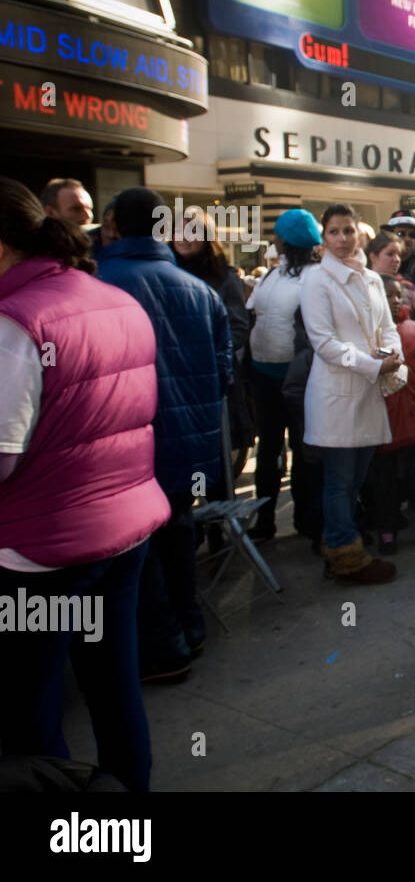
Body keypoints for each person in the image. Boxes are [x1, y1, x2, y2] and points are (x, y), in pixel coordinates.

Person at [0, 177, 170, 792]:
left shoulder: (15, 320)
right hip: (123, 532)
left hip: (40, 550)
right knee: (113, 687)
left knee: (32, 712)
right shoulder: (111, 299)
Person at [95, 187, 232, 683]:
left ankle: (165, 646)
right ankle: (190, 627)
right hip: (188, 441)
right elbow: (224, 370)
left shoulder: (100, 283)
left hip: (130, 446)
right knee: (176, 533)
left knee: (140, 546)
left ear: (112, 225)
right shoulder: (199, 290)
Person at [300, 202, 403, 584]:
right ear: (323, 238)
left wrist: (396, 357)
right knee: (340, 481)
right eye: (334, 232)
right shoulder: (315, 280)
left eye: (348, 230)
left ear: (360, 233)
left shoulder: (372, 279)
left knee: (356, 479)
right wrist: (375, 365)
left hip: (369, 391)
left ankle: (338, 548)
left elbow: (389, 327)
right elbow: (324, 343)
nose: (343, 239)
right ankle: (346, 556)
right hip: (336, 395)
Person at [245, 209, 324, 547]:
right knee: (270, 451)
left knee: (302, 449)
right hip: (264, 376)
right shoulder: (271, 275)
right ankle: (265, 521)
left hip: (298, 380)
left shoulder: (314, 278)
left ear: (285, 240)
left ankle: (305, 520)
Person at [170, 206, 254, 502]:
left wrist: (205, 354)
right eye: (177, 231)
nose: (183, 238)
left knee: (217, 461)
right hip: (173, 386)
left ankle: (220, 528)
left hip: (212, 382)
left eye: (192, 231)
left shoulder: (224, 277)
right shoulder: (166, 272)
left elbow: (238, 328)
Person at [362, 276, 415, 554]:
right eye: (388, 295)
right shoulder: (370, 337)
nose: (394, 301)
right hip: (384, 424)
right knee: (384, 483)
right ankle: (387, 530)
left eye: (397, 296)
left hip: (414, 418)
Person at [366, 230, 415, 337]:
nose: (397, 259)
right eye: (390, 254)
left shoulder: (408, 287)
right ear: (373, 257)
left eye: (399, 255)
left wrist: (411, 336)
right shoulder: (362, 285)